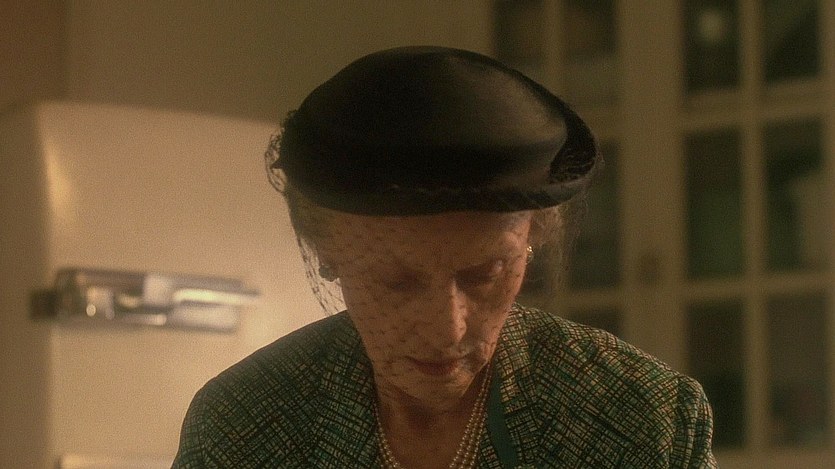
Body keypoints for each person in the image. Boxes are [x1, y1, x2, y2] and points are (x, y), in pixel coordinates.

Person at [172, 46, 716, 468]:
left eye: (484, 274)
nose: (446, 328)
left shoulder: (638, 417)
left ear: (532, 240)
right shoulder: (244, 425)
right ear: (326, 251)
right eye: (396, 281)